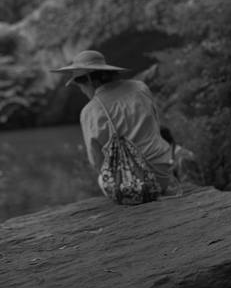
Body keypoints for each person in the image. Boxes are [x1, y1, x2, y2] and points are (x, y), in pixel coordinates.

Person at [51, 50, 179, 198]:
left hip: (134, 185)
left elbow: (97, 162)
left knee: (102, 179)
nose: (82, 90)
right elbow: (157, 125)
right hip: (163, 170)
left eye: (79, 84)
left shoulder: (90, 111)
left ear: (90, 81)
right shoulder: (140, 88)